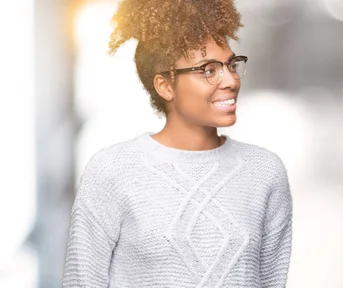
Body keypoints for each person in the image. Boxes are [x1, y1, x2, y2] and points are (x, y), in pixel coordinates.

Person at [62, 0, 293, 287]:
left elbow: (272, 281)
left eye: (232, 65)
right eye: (209, 69)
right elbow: (82, 281)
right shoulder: (112, 170)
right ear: (165, 85)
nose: (231, 80)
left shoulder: (264, 171)